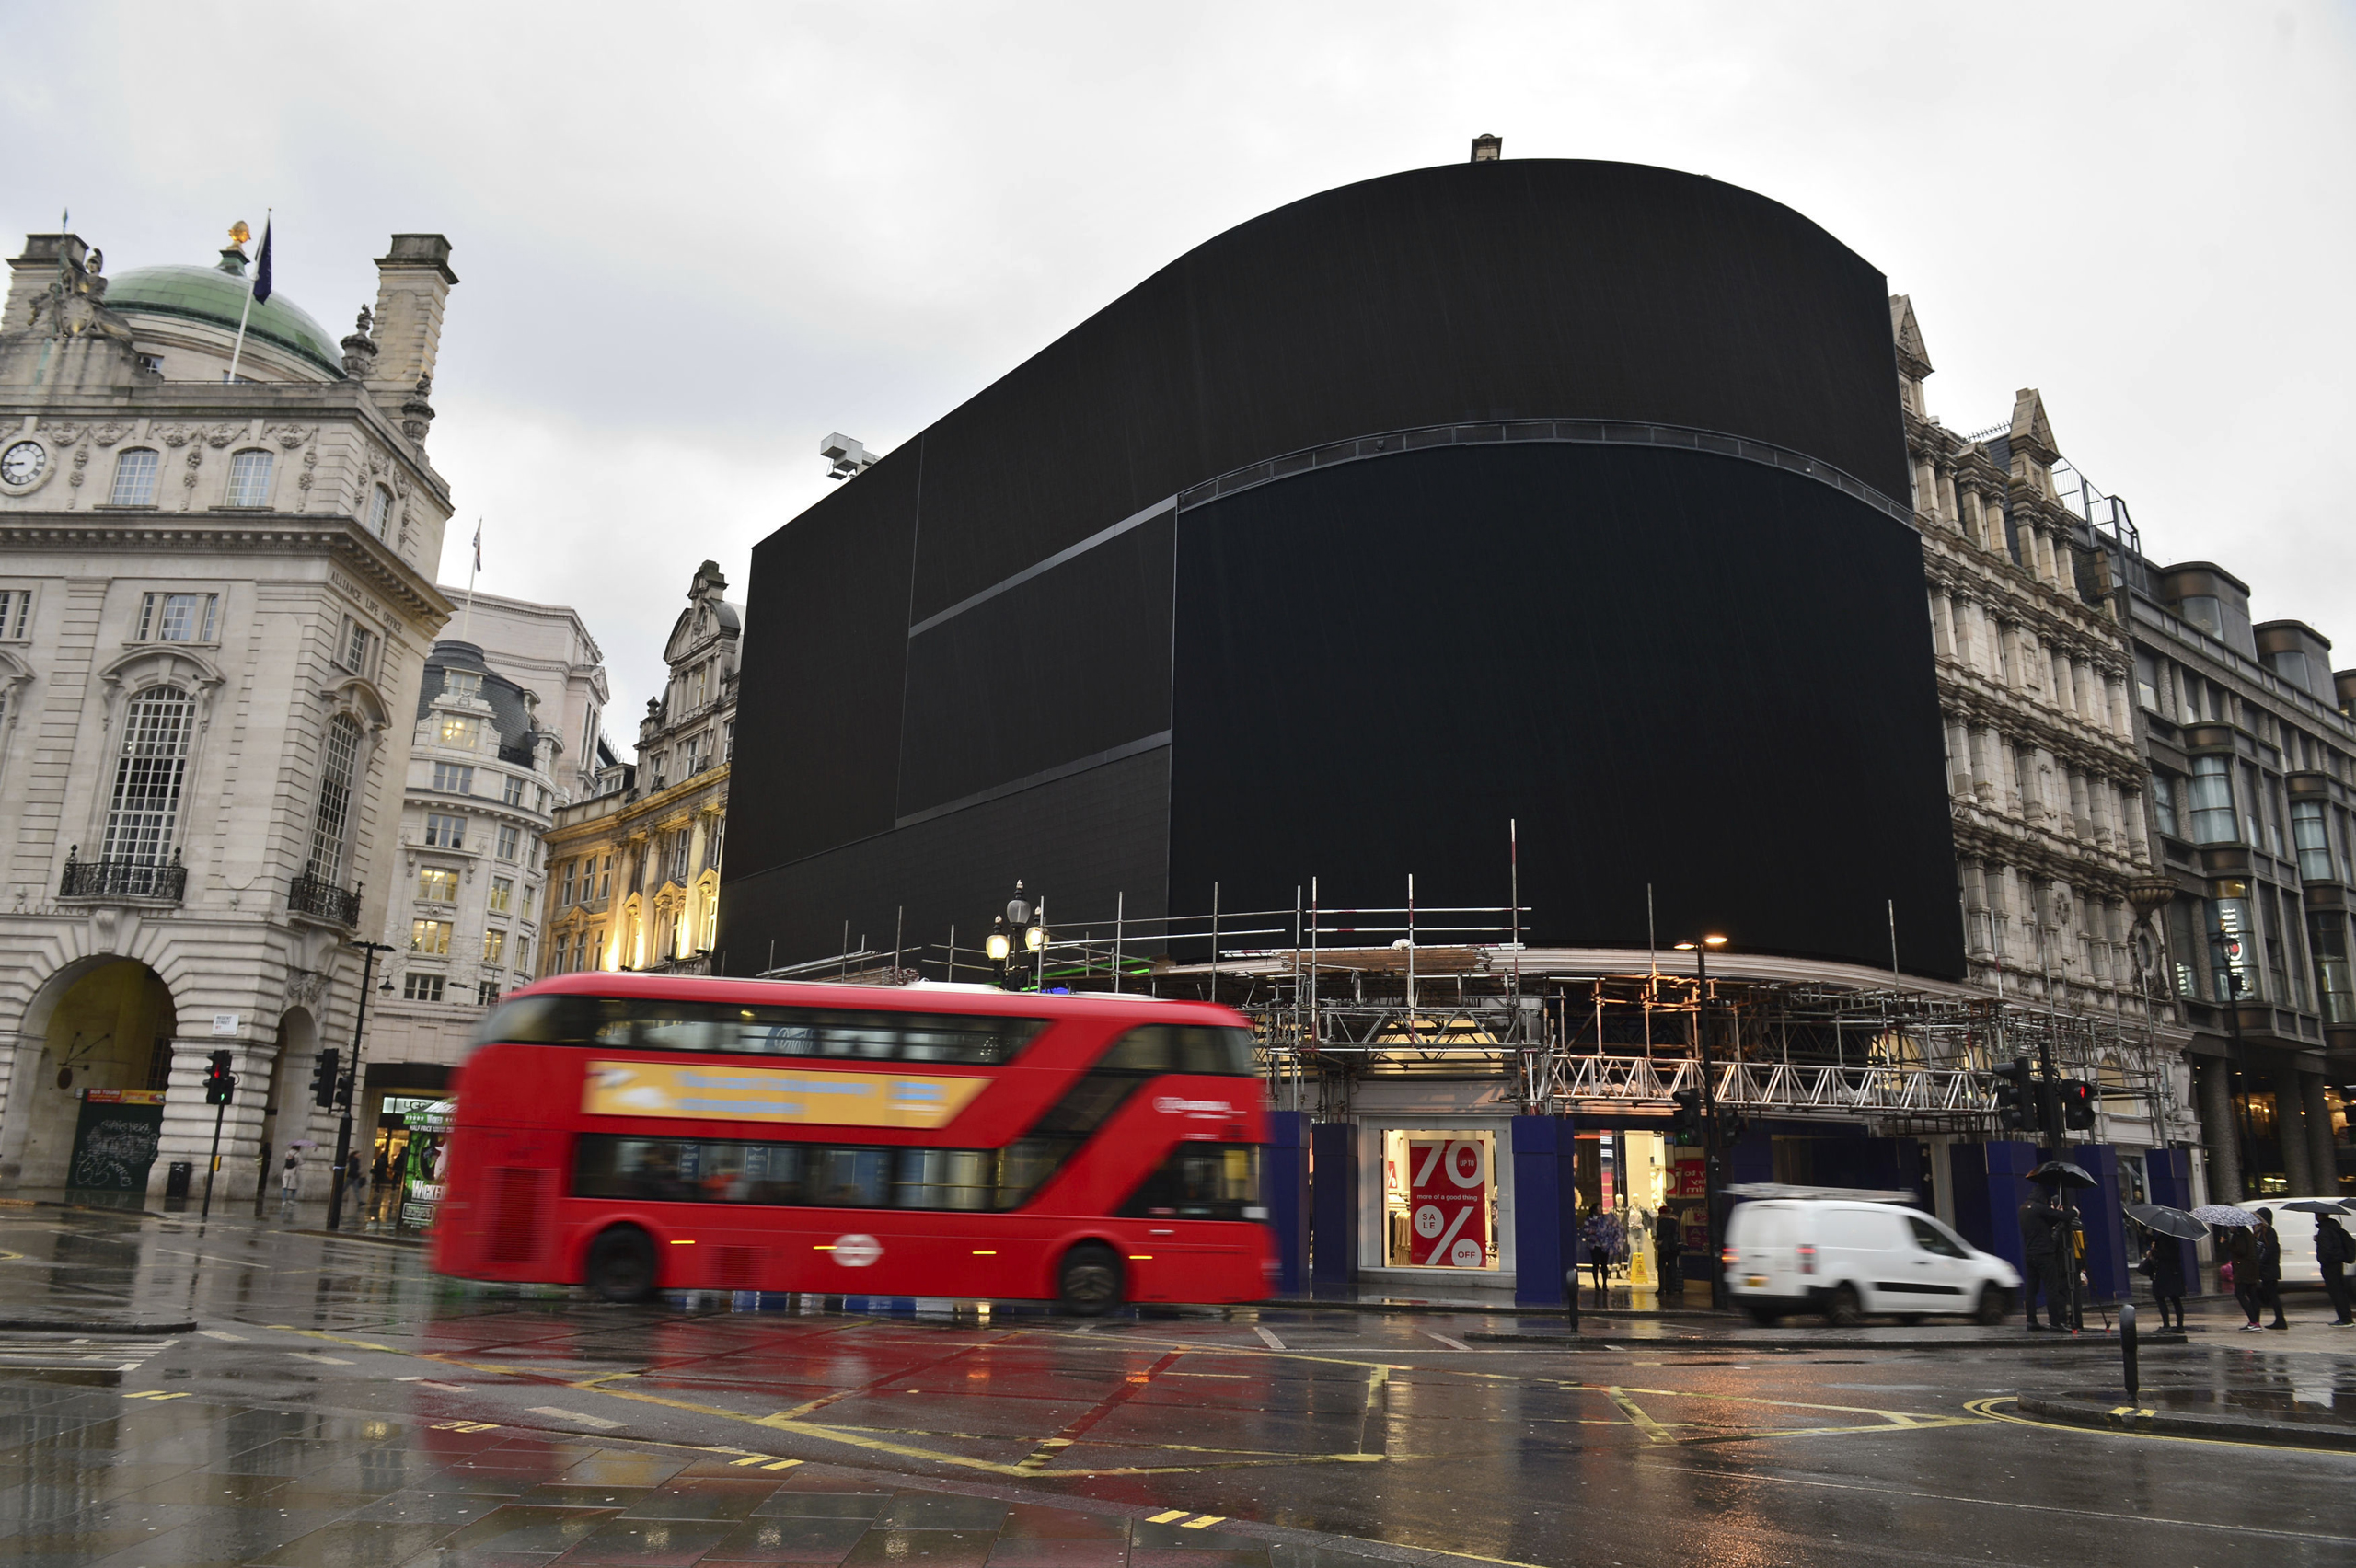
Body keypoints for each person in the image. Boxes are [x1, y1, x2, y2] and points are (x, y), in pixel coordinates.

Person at [2017, 1188, 2070, 1331]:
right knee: (2051, 1288)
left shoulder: (2024, 1209)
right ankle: (2055, 1322)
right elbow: (2062, 1216)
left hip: (2030, 1253)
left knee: (2031, 1289)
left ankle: (2031, 1320)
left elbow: (2044, 1225)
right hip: (2044, 1253)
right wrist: (2074, 1212)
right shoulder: (2040, 1208)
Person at [2139, 1228, 2186, 1332]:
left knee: (2160, 1297)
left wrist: (2154, 1253)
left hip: (2165, 1273)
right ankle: (2179, 1325)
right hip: (2173, 1272)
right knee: (2175, 1299)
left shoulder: (2165, 1239)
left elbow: (2165, 1255)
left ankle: (2167, 1325)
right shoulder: (2172, 1239)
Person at [2316, 1213, 2355, 1327]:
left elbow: (2327, 1250)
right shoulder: (2334, 1228)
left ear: (2319, 1216)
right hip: (2337, 1264)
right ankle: (2346, 1317)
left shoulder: (2324, 1230)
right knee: (2340, 1292)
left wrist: (2323, 1260)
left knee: (2336, 1293)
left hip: (2330, 1266)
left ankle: (2345, 1319)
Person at [2254, 1208, 2289, 1331]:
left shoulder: (2269, 1232)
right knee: (2271, 1295)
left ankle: (2281, 1320)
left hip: (2270, 1269)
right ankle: (2279, 1320)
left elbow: (2270, 1249)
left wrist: (2261, 1261)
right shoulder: (2261, 1232)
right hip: (2267, 1269)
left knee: (2273, 1296)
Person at [2223, 1224, 2261, 1331]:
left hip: (2243, 1269)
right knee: (2252, 1295)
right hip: (2251, 1268)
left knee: (2239, 1294)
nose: (2229, 1227)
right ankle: (2255, 1322)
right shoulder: (2247, 1233)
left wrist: (2226, 1243)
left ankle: (2253, 1321)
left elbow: (2241, 1251)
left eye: (2230, 1225)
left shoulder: (2239, 1235)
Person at [279, 1149, 302, 1218]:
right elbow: (300, 1162)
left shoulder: (287, 1153)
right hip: (293, 1172)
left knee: (285, 1186)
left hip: (286, 1171)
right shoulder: (298, 1154)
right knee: (294, 1188)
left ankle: (284, 1201)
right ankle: (292, 1199)